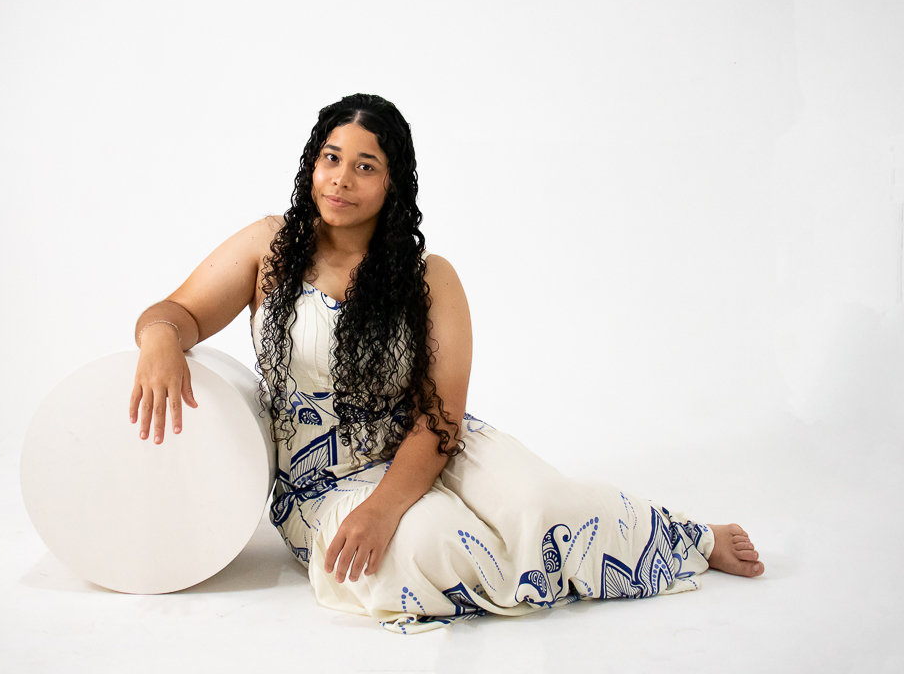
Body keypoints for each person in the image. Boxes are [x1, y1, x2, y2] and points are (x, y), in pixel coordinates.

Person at [128, 94, 763, 633]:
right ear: (312, 164)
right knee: (430, 546)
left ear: (393, 183)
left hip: (427, 443)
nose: (341, 179)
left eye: (365, 166)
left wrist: (384, 507)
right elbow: (179, 310)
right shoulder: (270, 246)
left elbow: (439, 416)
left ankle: (690, 537)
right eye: (331, 158)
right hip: (321, 481)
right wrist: (160, 339)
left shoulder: (430, 277)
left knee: (539, 501)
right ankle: (540, 565)